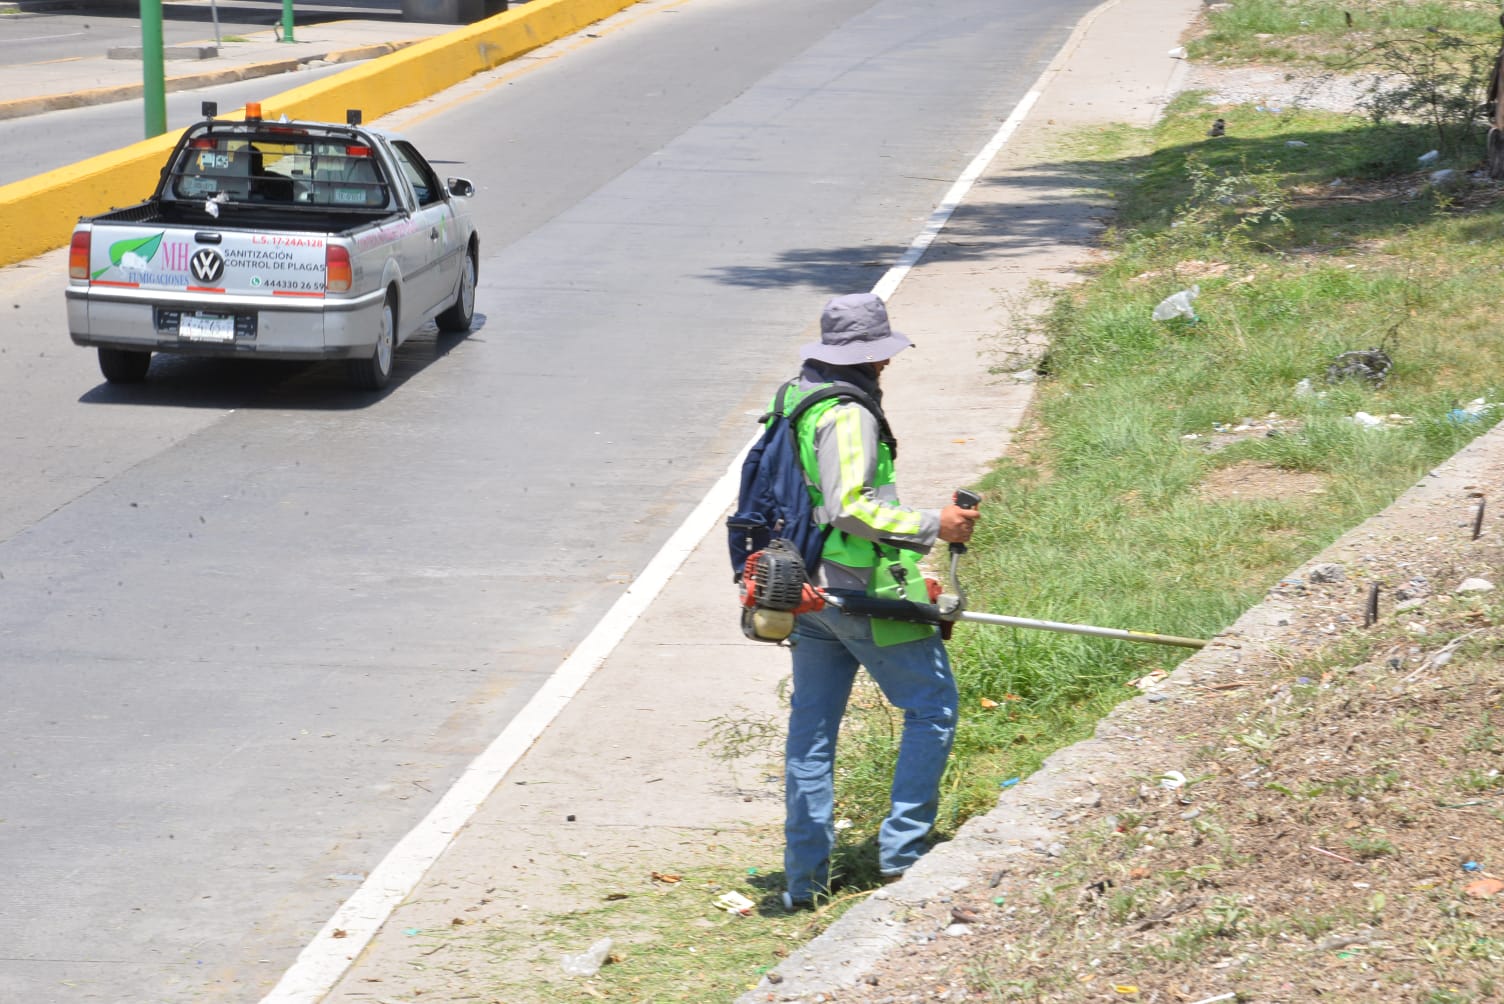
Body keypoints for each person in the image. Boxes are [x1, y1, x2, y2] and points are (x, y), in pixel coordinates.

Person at [777, 292, 979, 910]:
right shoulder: (848, 414)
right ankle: (905, 854)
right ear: (871, 357)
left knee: (812, 733)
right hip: (858, 591)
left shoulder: (796, 397)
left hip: (806, 588)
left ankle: (804, 883)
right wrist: (932, 527)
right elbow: (849, 507)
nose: (885, 366)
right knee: (932, 707)